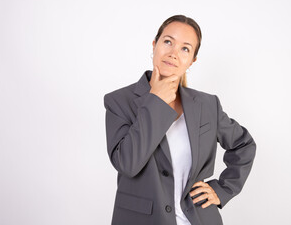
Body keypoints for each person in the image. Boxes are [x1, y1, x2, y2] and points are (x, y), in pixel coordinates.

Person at [103, 15, 256, 225]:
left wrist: (222, 189)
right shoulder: (119, 101)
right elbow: (128, 163)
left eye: (185, 48)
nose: (174, 54)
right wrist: (155, 101)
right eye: (168, 42)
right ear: (155, 45)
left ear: (192, 60)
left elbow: (244, 145)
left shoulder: (206, 104)